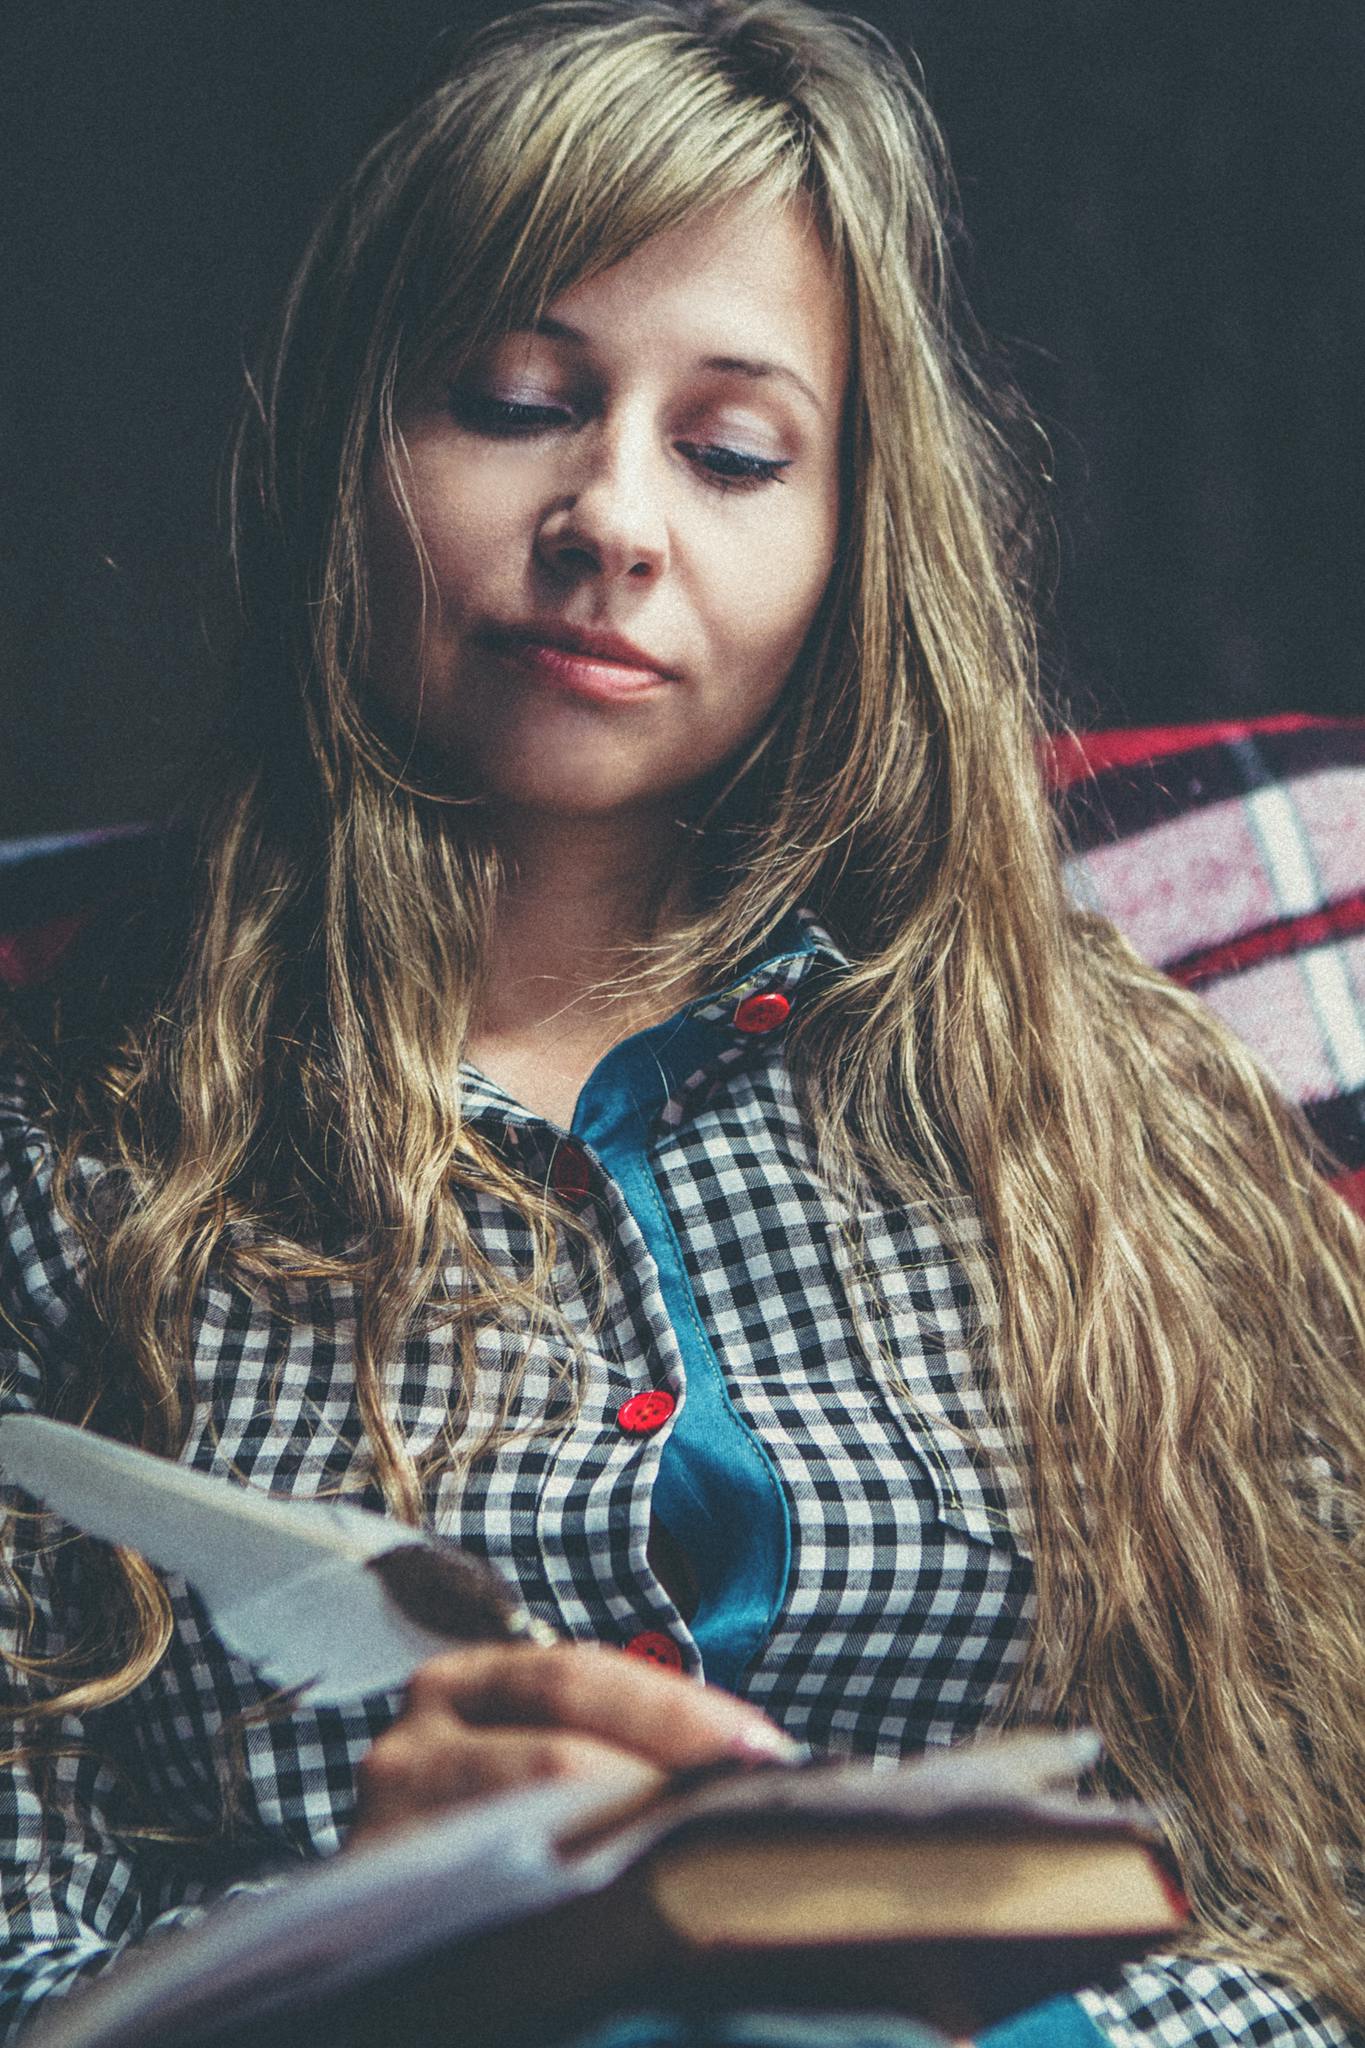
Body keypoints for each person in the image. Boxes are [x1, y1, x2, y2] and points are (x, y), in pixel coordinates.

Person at [1, 1, 1363, 2043]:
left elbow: (1309, 1895)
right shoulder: (70, 1170)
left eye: (731, 452)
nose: (613, 519)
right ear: (339, 455)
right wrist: (377, 1966)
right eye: (509, 400)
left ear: (847, 543)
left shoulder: (1110, 1121)